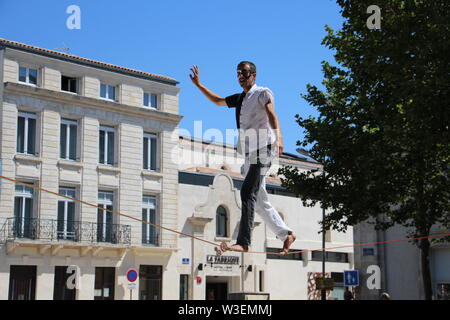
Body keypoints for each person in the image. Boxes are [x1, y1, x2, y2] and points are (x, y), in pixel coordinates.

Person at [189, 62, 296, 254]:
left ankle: (244, 242)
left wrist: (279, 137)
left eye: (244, 73)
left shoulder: (263, 92)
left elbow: (272, 114)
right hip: (248, 154)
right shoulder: (239, 99)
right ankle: (286, 234)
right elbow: (218, 101)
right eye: (238, 73)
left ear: (253, 75)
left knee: (247, 192)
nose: (241, 76)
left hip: (264, 149)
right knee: (260, 200)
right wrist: (199, 85)